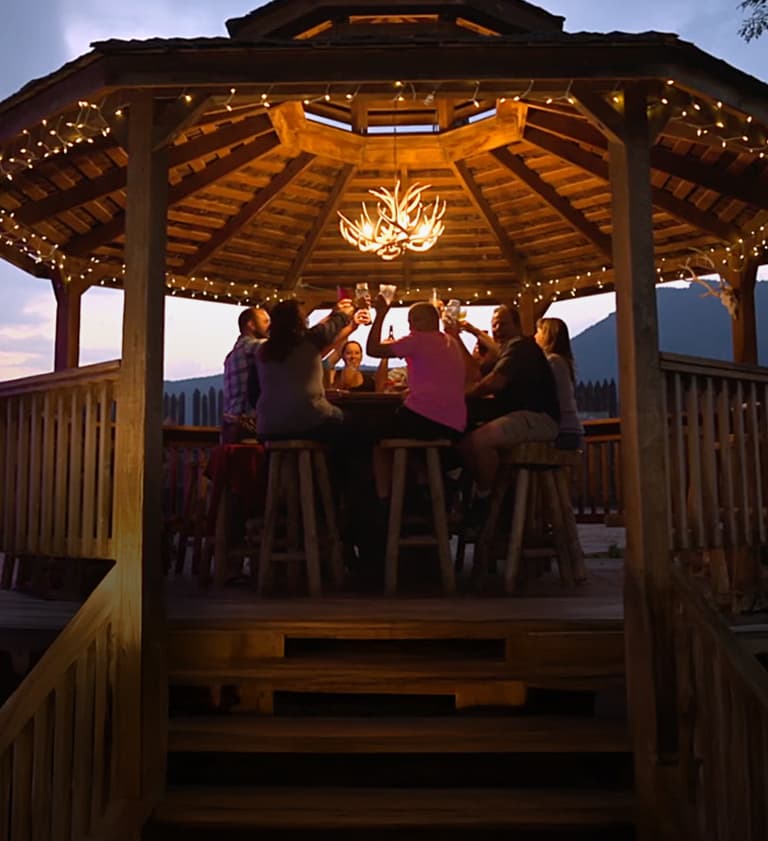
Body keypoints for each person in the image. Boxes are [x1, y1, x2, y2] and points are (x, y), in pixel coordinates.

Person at [461, 304, 560, 506]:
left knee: (479, 441)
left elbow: (495, 382)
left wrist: (464, 393)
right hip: (523, 417)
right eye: (494, 325)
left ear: (517, 325)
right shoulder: (506, 352)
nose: (497, 329)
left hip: (538, 418)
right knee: (463, 443)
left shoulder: (521, 346)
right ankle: (493, 500)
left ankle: (486, 501)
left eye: (503, 324)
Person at [254, 298, 365, 440]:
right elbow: (333, 326)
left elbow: (254, 391)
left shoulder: (262, 351)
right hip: (309, 419)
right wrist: (344, 313)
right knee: (357, 423)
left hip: (267, 426)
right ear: (299, 321)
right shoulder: (309, 340)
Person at [367, 297, 467, 441]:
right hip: (456, 423)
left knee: (369, 428)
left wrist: (380, 314)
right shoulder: (452, 342)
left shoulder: (416, 340)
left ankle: (386, 464)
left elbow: (372, 349)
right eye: (410, 322)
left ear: (433, 321)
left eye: (416, 320)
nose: (411, 326)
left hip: (425, 418)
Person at [221, 306, 270, 443]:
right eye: (265, 321)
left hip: (230, 425)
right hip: (248, 424)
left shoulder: (231, 356)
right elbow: (287, 349)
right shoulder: (256, 347)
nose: (270, 326)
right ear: (251, 325)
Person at [535, 317, 584, 451]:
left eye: (538, 332)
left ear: (547, 335)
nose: (534, 336)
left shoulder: (552, 362)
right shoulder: (562, 362)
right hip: (572, 430)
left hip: (563, 431)